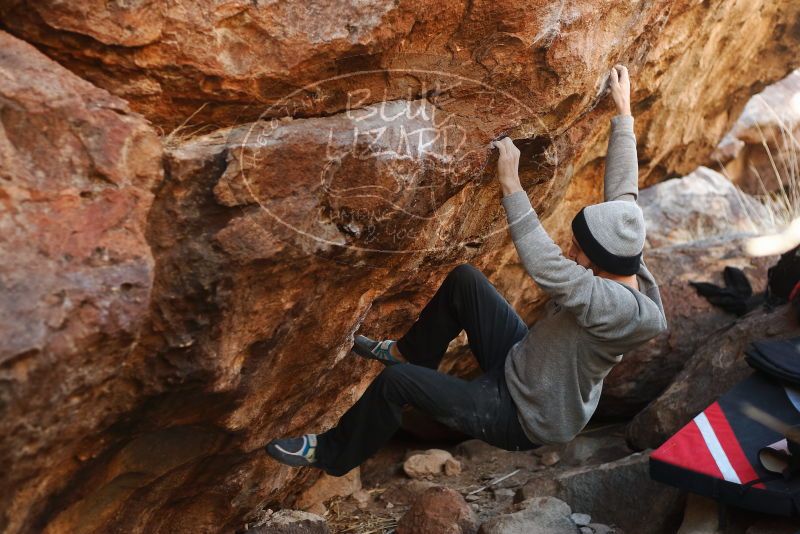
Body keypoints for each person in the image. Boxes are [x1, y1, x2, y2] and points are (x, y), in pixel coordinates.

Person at [265, 64, 669, 475]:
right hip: (521, 363)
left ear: (596, 262)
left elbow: (546, 266)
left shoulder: (617, 308)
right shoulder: (625, 253)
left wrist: (511, 185)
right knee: (465, 281)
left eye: (577, 248)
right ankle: (411, 351)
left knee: (396, 383)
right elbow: (623, 195)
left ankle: (331, 453)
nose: (570, 247)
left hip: (520, 416)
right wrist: (623, 115)